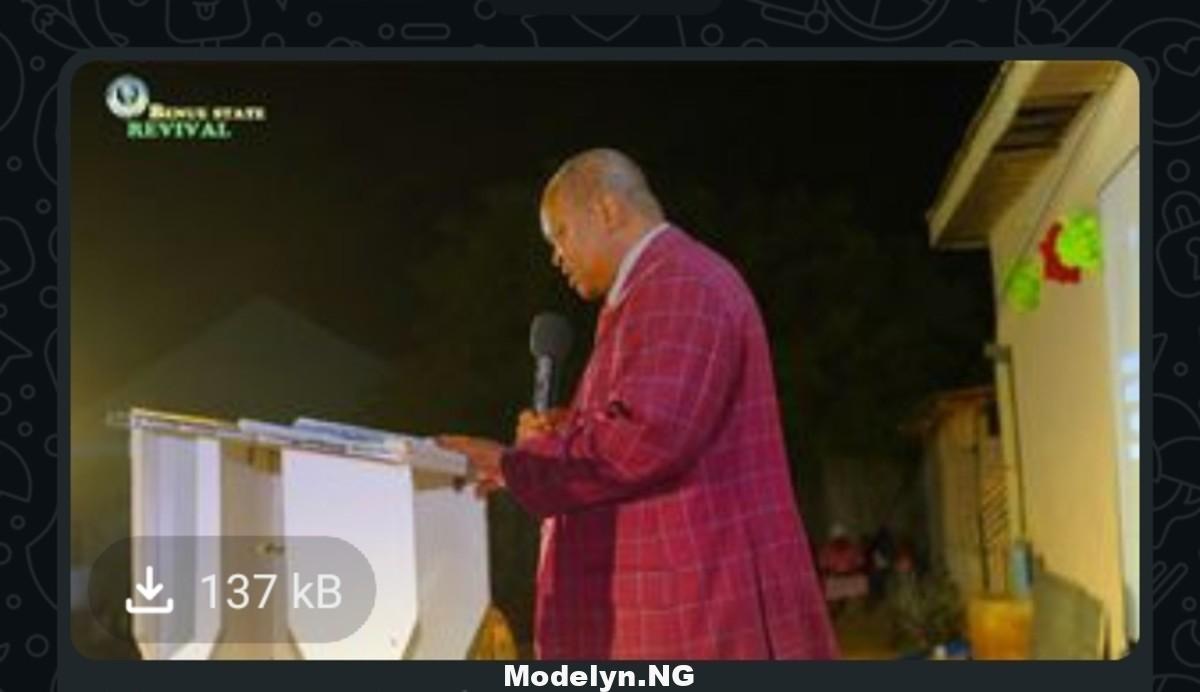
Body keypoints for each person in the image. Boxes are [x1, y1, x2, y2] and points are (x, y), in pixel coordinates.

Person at [437, 148, 838, 660]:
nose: (556, 256)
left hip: (694, 619)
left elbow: (647, 436)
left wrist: (515, 464)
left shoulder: (680, 282)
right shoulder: (650, 291)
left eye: (560, 233)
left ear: (607, 210)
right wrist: (564, 433)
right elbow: (642, 421)